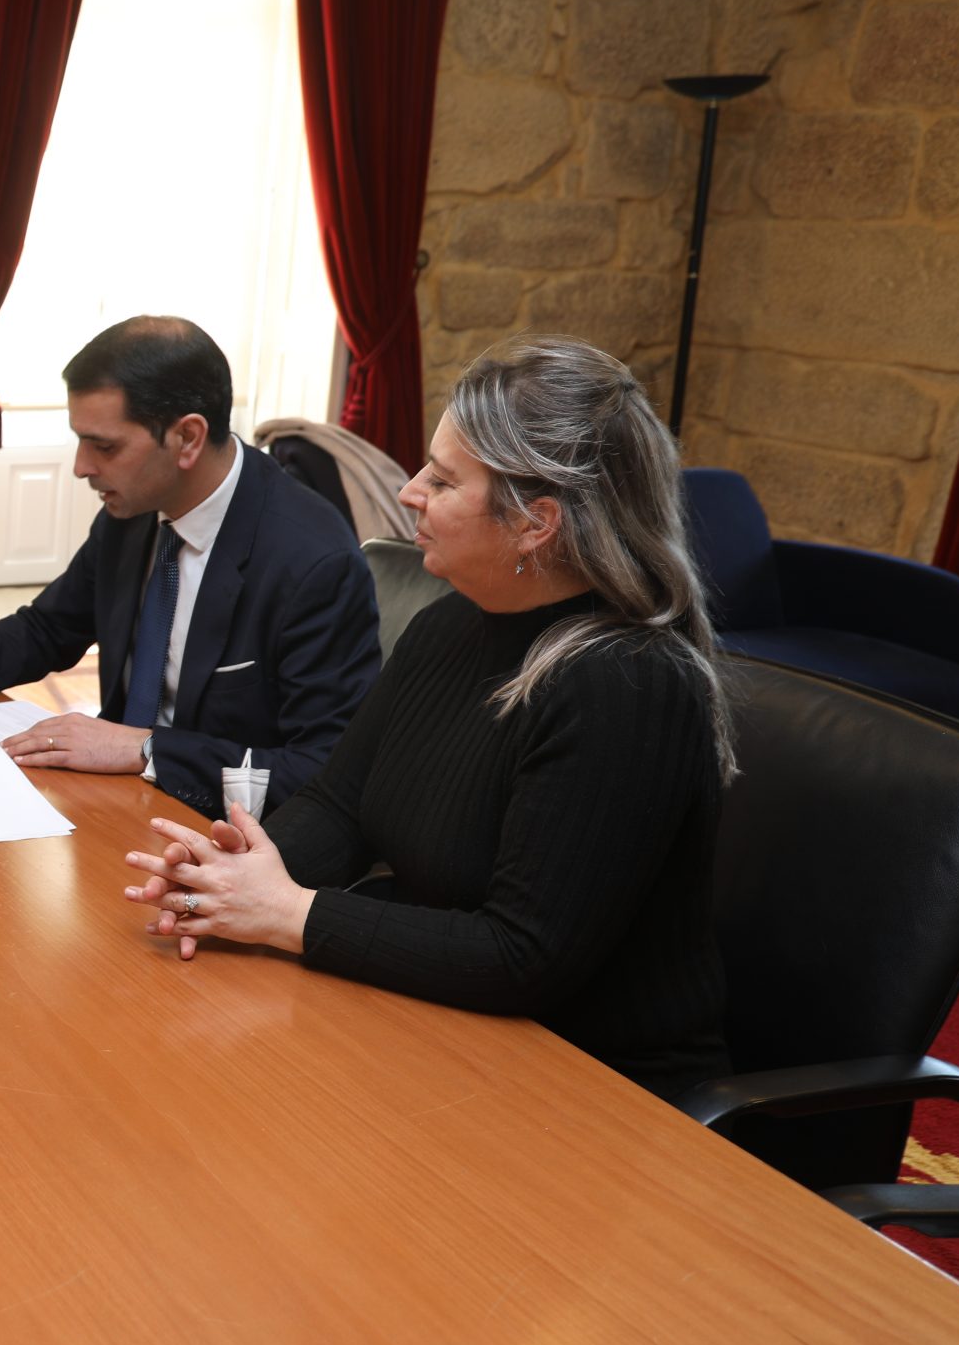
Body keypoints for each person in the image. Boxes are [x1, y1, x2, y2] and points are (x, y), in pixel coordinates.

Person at [121, 337, 734, 1095]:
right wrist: (236, 876)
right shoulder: (453, 621)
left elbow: (522, 956)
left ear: (535, 523)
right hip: (442, 1023)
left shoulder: (628, 686)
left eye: (443, 480)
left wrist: (291, 914)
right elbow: (342, 806)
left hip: (591, 1088)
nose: (409, 491)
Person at [0, 314, 379, 819]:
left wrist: (146, 749)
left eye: (104, 446)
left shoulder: (312, 562)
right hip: (111, 803)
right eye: (81, 440)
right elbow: (49, 628)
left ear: (188, 438)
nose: (82, 467)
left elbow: (321, 772)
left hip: (221, 837)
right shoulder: (134, 510)